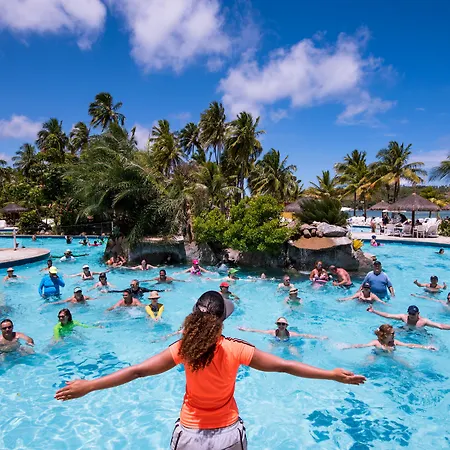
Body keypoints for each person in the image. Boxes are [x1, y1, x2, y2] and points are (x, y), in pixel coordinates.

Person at [55, 291, 365, 449]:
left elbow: (137, 371)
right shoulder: (236, 348)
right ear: (222, 321)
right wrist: (331, 374)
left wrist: (90, 385)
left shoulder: (182, 349)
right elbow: (285, 366)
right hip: (228, 434)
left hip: (189, 435)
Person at [342, 324, 436, 352]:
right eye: (392, 333)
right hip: (377, 355)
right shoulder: (377, 343)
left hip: (390, 356)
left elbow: (409, 345)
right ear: (386, 335)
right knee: (367, 364)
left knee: (407, 366)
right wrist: (347, 346)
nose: (394, 335)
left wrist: (425, 347)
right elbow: (362, 345)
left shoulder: (394, 342)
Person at [239, 317, 327, 342]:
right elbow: (259, 331)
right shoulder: (272, 332)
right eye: (279, 324)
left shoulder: (291, 334)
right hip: (275, 342)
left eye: (283, 324)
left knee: (297, 356)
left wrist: (319, 337)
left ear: (286, 325)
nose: (281, 325)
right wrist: (246, 329)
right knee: (269, 353)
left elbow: (305, 335)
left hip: (287, 343)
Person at [367, 304, 450, 330]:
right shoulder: (404, 317)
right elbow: (388, 315)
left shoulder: (423, 321)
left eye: (413, 314)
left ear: (418, 313)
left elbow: (440, 326)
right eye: (410, 313)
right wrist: (374, 311)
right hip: (406, 330)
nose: (411, 315)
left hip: (419, 333)